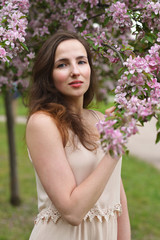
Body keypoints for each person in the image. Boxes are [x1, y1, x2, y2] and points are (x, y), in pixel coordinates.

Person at [26, 30, 131, 240]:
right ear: (49, 74)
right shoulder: (43, 123)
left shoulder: (102, 120)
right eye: (62, 64)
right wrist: (114, 146)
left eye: (81, 62)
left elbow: (118, 204)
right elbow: (73, 212)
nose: (75, 71)